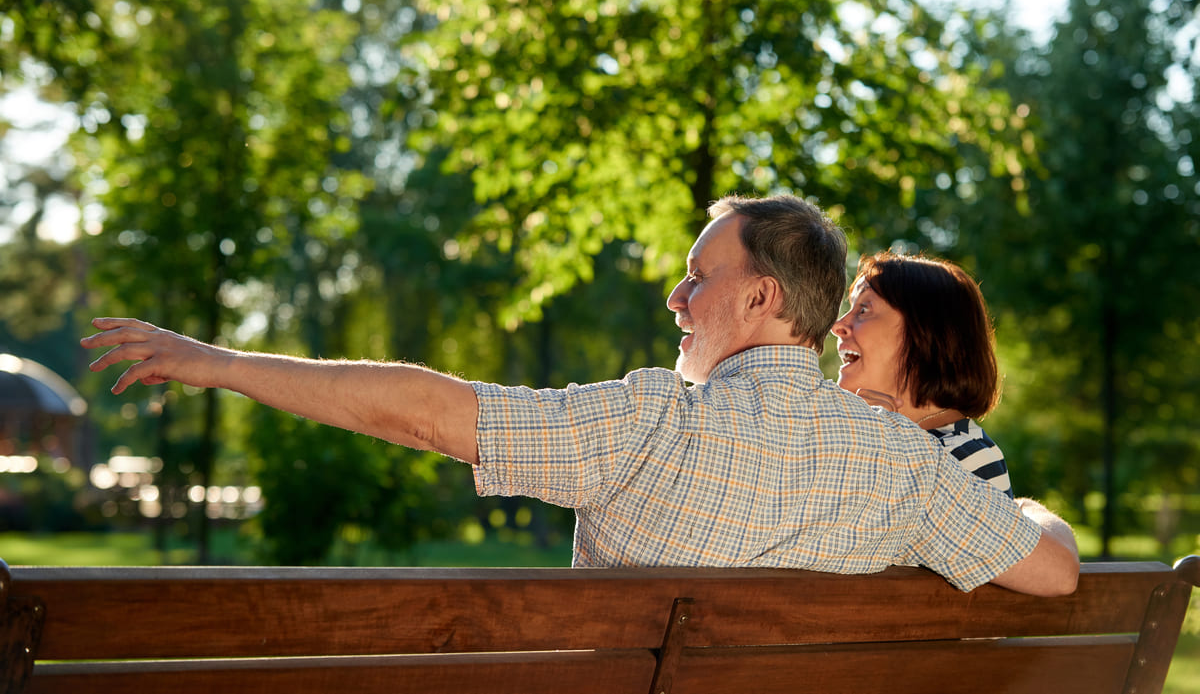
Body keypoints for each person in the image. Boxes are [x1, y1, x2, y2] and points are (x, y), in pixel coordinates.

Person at [81, 193, 1079, 596]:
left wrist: (218, 362)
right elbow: (1056, 576)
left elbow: (424, 411)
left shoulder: (644, 419)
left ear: (763, 297)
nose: (676, 295)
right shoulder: (903, 461)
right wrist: (1031, 510)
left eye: (699, 275)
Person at [831, 252, 1014, 496]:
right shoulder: (886, 438)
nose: (837, 326)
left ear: (925, 334)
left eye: (864, 309)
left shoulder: (965, 458)